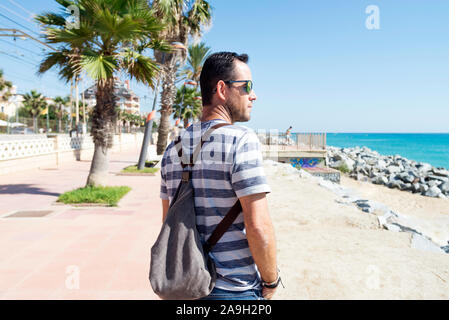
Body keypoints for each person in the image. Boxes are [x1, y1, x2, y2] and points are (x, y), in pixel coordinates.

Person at [159, 52, 280, 300]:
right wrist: (271, 280)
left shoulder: (174, 148)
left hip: (185, 285)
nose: (253, 95)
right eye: (247, 87)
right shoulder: (241, 140)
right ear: (222, 89)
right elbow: (258, 226)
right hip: (232, 288)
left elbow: (167, 222)